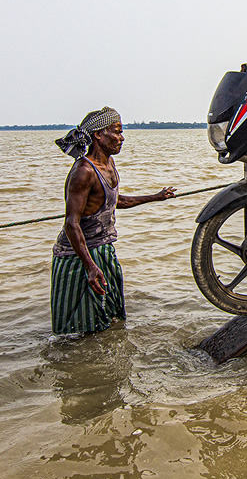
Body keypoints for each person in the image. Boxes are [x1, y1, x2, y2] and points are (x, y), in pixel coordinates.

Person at [50, 107, 176, 335]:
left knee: (109, 322)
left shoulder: (109, 165)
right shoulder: (83, 171)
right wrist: (89, 266)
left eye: (121, 132)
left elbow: (116, 201)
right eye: (116, 132)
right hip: (78, 258)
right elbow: (71, 223)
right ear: (99, 134)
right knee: (77, 330)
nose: (122, 138)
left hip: (103, 250)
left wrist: (156, 196)